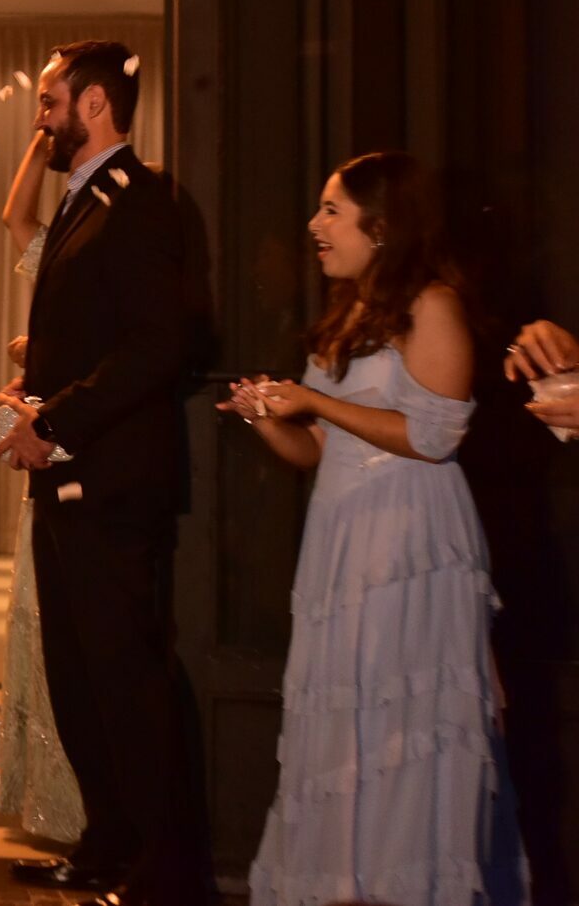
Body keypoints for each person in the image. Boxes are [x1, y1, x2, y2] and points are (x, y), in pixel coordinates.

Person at [221, 151, 528, 905]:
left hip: (410, 543)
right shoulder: (348, 314)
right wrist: (268, 417)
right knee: (345, 725)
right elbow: (317, 450)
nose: (314, 225)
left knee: (403, 728)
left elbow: (435, 436)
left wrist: (315, 402)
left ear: (382, 226)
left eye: (332, 210)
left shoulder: (433, 305)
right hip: (342, 539)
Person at [0, 41, 210, 906]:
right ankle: (106, 844)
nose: (41, 116)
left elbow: (161, 345)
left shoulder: (142, 200)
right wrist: (34, 390)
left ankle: (165, 872)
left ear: (93, 105)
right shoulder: (86, 198)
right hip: (67, 476)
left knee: (125, 680)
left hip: (114, 482)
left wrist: (56, 419)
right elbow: (97, 332)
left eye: (50, 101)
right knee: (78, 676)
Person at [0, 127, 85, 845]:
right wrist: (43, 135)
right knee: (40, 625)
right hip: (45, 440)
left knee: (74, 637)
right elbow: (16, 217)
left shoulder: (103, 271)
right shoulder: (58, 262)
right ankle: (50, 803)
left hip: (80, 447)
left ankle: (81, 810)